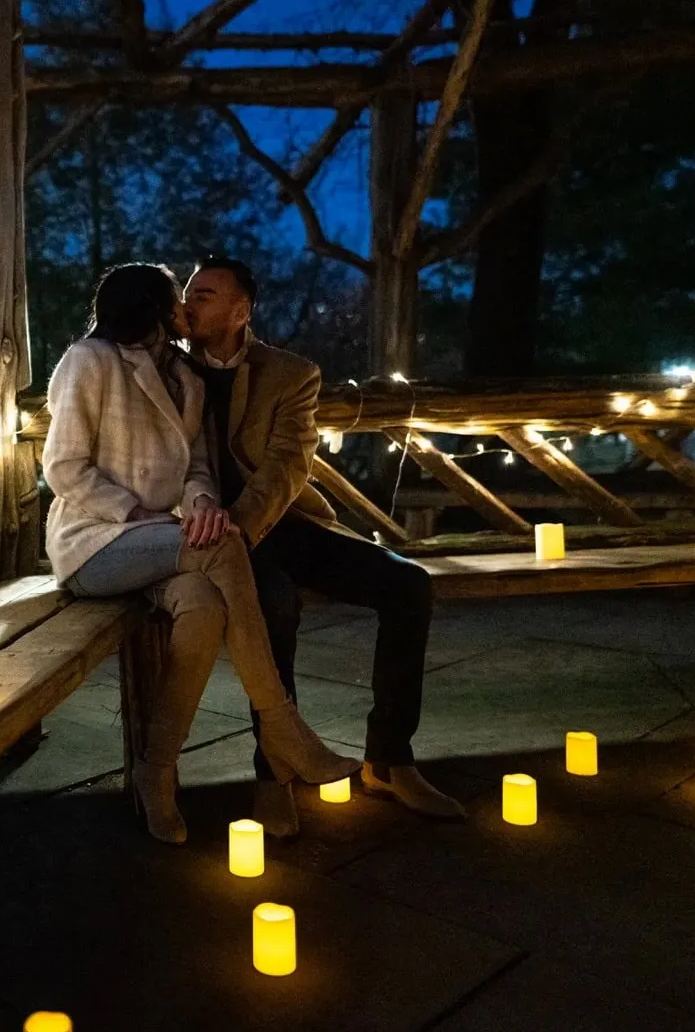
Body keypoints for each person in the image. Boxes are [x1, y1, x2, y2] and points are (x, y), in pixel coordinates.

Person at [42, 262, 358, 845]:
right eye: (178, 300)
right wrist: (138, 514)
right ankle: (283, 727)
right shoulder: (89, 362)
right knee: (223, 548)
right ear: (156, 309)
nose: (187, 308)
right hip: (96, 542)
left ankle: (155, 769)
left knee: (207, 605)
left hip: (163, 543)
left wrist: (206, 502)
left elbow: (199, 467)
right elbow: (63, 468)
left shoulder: (183, 376)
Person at [181, 255, 464, 836]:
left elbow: (287, 465)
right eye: (187, 293)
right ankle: (274, 772)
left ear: (241, 310)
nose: (188, 303)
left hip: (281, 522)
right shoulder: (162, 369)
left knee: (410, 584)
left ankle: (389, 760)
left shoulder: (290, 373)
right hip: (202, 536)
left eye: (204, 295)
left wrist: (241, 524)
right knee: (274, 605)